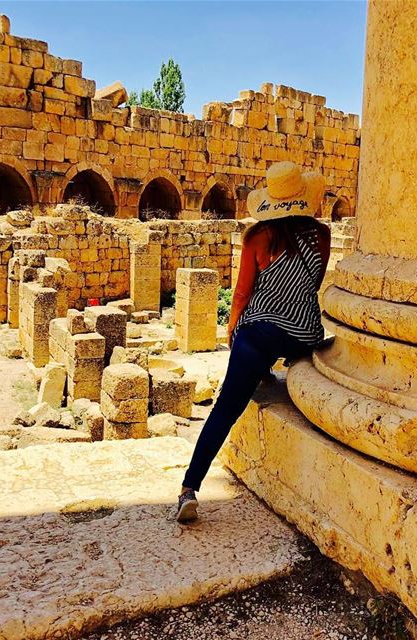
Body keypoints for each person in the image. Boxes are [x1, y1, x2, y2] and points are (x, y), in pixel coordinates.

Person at [176, 161, 331, 523]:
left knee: (225, 409)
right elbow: (313, 283)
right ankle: (262, 369)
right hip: (303, 335)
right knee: (269, 348)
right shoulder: (321, 236)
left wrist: (232, 330)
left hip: (259, 333)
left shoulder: (258, 237)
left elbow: (243, 292)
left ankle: (188, 488)